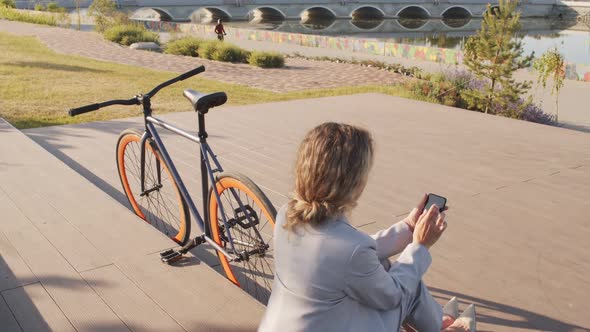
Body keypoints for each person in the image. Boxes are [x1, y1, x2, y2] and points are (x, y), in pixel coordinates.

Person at [259, 123, 476, 332]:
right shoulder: (352, 250)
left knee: (386, 264)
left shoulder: (286, 213)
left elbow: (348, 255)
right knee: (407, 280)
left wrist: (409, 227)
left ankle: (438, 323)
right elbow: (393, 295)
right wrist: (420, 246)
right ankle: (443, 326)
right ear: (355, 183)